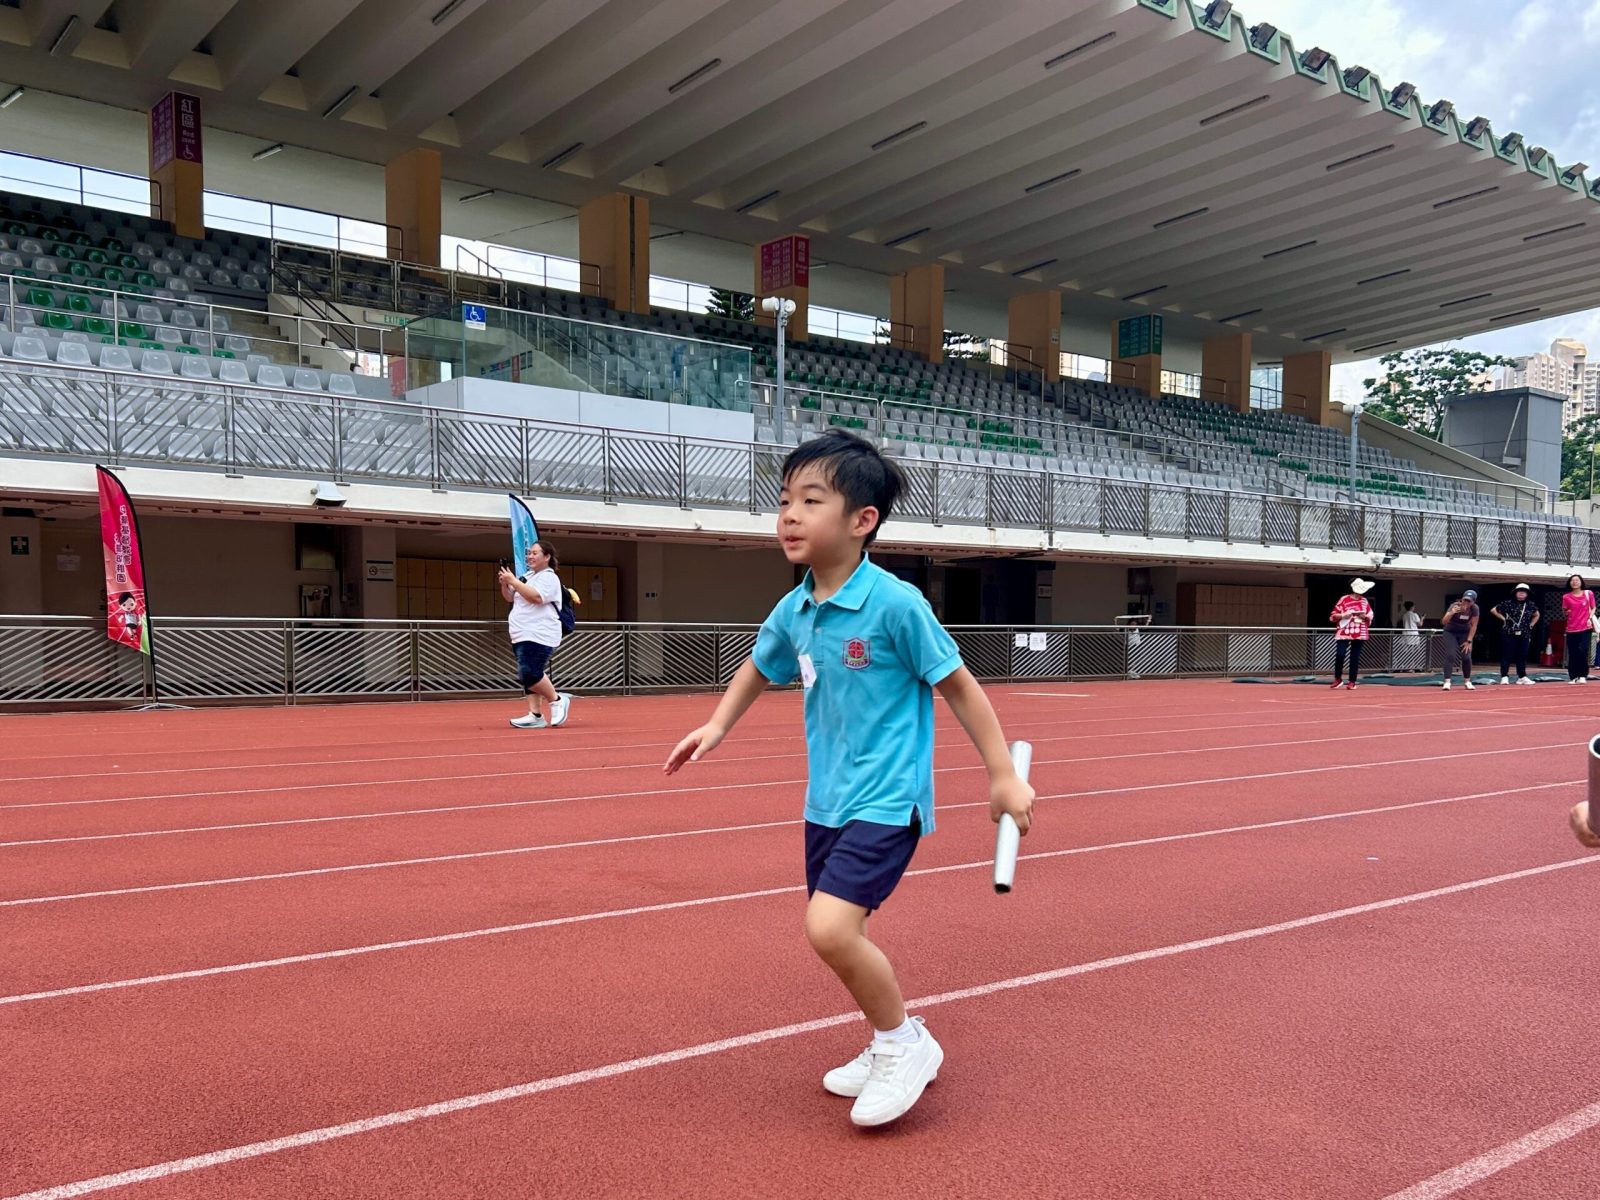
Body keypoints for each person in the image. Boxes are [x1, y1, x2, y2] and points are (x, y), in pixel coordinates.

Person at [663, 429, 1035, 1129]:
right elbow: (758, 665)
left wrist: (1000, 776)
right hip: (826, 802)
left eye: (811, 501)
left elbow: (959, 686)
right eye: (784, 501)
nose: (789, 516)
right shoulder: (796, 608)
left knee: (829, 929)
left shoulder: (896, 604)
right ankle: (889, 1035)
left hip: (888, 799)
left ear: (862, 520)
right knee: (840, 932)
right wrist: (716, 726)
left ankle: (904, 1044)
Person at [499, 541, 573, 728]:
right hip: (520, 632)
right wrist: (506, 584)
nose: (529, 556)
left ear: (547, 557)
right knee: (529, 672)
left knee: (529, 672)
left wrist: (513, 581)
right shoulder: (527, 576)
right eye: (529, 553)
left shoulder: (549, 578)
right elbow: (510, 597)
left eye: (534, 553)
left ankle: (556, 700)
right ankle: (535, 714)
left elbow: (536, 597)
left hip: (539, 632)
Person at [1328, 578, 1374, 690]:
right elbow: (1333, 615)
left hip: (1360, 631)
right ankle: (1338, 679)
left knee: (1355, 657)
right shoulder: (1344, 599)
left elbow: (1370, 615)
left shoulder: (1364, 601)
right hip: (1344, 630)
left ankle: (1352, 681)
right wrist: (1343, 615)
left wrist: (1365, 617)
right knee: (1340, 654)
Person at [1490, 584, 1540, 686]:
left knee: (1522, 655)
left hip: (1524, 633)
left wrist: (1531, 625)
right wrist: (1504, 619)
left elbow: (1537, 614)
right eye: (1519, 591)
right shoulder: (1508, 603)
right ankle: (1504, 676)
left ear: (1527, 594)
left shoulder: (1530, 605)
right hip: (1509, 632)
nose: (1521, 593)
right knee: (1506, 654)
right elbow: (1493, 610)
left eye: (1524, 591)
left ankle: (1522, 676)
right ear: (1515, 592)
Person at [1439, 590, 1480, 691]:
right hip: (1450, 631)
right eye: (1465, 600)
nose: (1466, 602)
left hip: (1464, 632)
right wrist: (1452, 613)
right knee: (1450, 655)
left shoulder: (1474, 608)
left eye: (1469, 601)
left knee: (1466, 657)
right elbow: (1444, 622)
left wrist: (1469, 641)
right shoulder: (1455, 606)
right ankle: (1447, 681)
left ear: (1473, 602)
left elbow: (1474, 625)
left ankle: (1467, 681)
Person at [1561, 574, 1597, 684]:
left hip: (1585, 627)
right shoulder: (1566, 597)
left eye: (1577, 580)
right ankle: (1573, 676)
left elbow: (1593, 607)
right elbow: (1564, 611)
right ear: (1569, 583)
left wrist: (1590, 617)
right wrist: (1566, 612)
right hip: (1571, 628)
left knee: (1583, 650)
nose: (1575, 582)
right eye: (1572, 580)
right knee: (1573, 653)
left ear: (1581, 582)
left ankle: (1582, 675)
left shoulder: (1588, 593)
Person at [1399, 600, 1424, 672]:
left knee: (1406, 652)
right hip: (1414, 636)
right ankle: (1412, 667)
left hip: (1406, 635)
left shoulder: (1404, 615)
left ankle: (1407, 666)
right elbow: (1420, 624)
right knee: (1414, 652)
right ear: (1412, 607)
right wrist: (1422, 618)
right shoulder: (1414, 615)